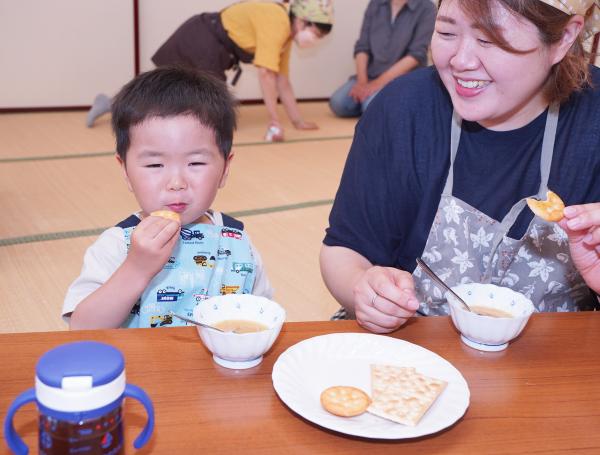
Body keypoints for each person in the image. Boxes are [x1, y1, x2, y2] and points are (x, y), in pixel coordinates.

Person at [320, 0, 600, 334]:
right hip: (414, 344)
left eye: (490, 40)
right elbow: (344, 249)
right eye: (446, 32)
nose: (461, 61)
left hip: (556, 360)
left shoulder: (592, 122)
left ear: (563, 39)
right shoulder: (403, 109)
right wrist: (364, 287)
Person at [64, 66, 273, 329]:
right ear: (125, 171)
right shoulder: (118, 244)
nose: (176, 183)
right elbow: (82, 330)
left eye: (196, 163)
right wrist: (136, 269)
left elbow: (263, 315)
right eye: (154, 165)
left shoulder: (237, 240)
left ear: (225, 169)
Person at [86, 0, 334, 143]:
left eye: (320, 37)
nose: (315, 39)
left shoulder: (286, 36)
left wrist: (297, 121)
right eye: (316, 32)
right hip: (202, 39)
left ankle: (109, 102)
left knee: (181, 97)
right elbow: (266, 74)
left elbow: (282, 80)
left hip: (214, 46)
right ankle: (110, 103)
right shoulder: (277, 20)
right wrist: (274, 121)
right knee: (171, 92)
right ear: (301, 21)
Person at [328, 0, 435, 117]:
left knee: (371, 106)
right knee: (338, 103)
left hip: (402, 79)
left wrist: (377, 84)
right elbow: (362, 47)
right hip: (371, 75)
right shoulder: (375, 4)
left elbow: (416, 55)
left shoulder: (427, 8)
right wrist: (362, 82)